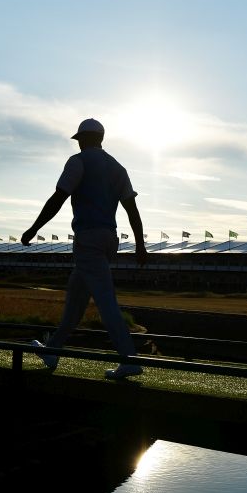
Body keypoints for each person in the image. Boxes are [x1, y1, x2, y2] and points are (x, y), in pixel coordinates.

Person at [22, 118, 147, 380]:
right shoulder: (117, 167)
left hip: (88, 239)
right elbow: (132, 210)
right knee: (75, 302)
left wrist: (33, 228)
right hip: (108, 240)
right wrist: (139, 246)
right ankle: (52, 349)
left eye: (79, 140)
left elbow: (58, 197)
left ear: (82, 140)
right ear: (101, 139)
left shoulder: (77, 162)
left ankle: (129, 359)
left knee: (105, 301)